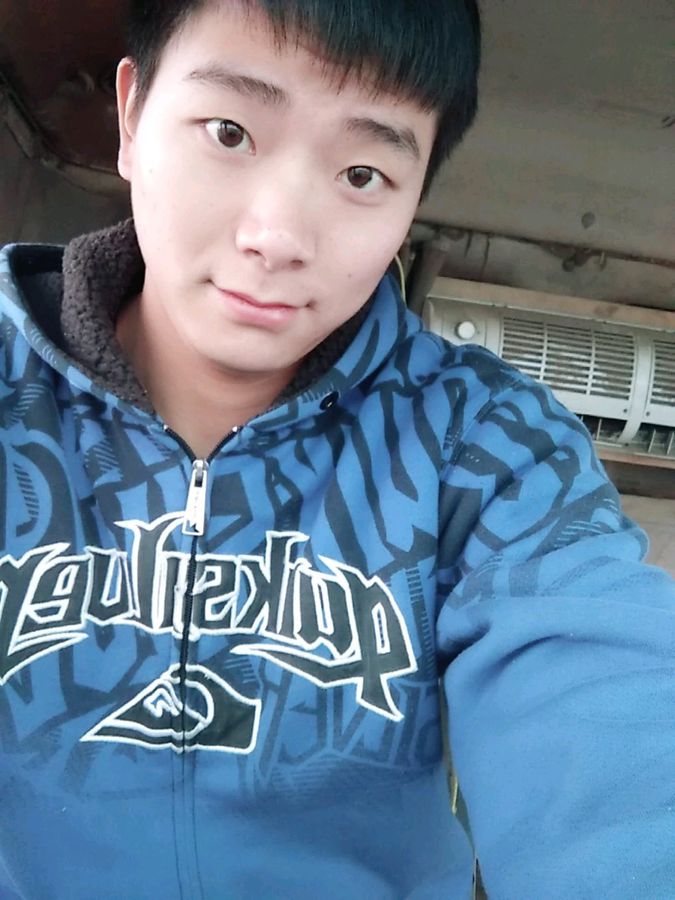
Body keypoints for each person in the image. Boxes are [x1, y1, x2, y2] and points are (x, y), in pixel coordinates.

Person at [0, 1, 673, 897]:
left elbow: (606, 724)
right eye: (229, 132)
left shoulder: (486, 446)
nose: (276, 237)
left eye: (362, 173)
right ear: (131, 117)